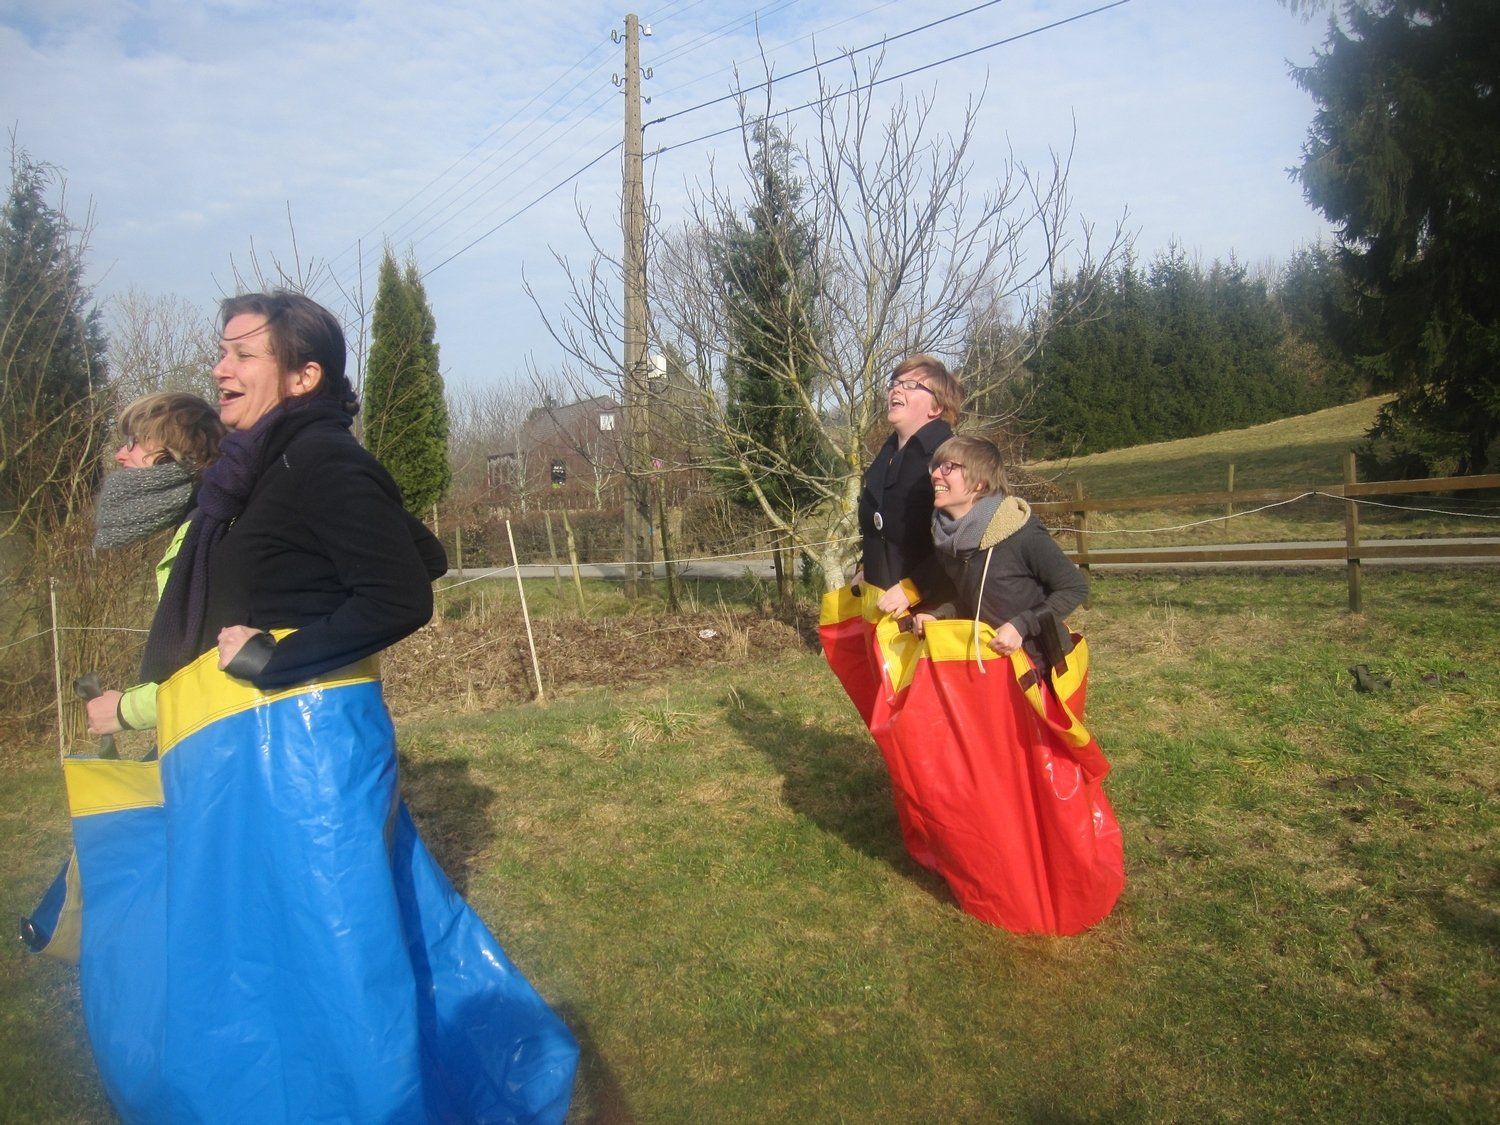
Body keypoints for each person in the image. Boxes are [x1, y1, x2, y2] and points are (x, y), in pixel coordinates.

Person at [84, 291, 577, 1123]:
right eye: (221, 350)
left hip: (305, 754)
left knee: (336, 957)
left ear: (303, 374)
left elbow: (402, 590)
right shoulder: (252, 473)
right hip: (255, 752)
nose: (220, 368)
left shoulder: (317, 458)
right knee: (296, 946)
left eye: (242, 352)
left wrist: (279, 653)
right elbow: (420, 547)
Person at [85, 392, 225, 738]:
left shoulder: (208, 533)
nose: (119, 455)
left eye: (133, 443)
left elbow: (215, 670)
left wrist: (126, 710)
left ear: (168, 457)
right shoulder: (197, 522)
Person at [910, 434, 1089, 670]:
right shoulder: (947, 540)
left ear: (979, 483)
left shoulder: (1021, 533)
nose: (935, 475)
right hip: (991, 666)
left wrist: (1021, 626)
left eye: (948, 467)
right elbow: (974, 599)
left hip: (1041, 666)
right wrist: (938, 615)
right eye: (935, 467)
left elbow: (1074, 588)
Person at [858, 354, 962, 615]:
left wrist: (914, 587)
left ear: (936, 407)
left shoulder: (953, 459)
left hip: (934, 613)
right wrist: (865, 566)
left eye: (911, 385)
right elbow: (879, 529)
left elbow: (965, 541)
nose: (896, 389)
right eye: (894, 383)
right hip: (883, 612)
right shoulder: (885, 456)